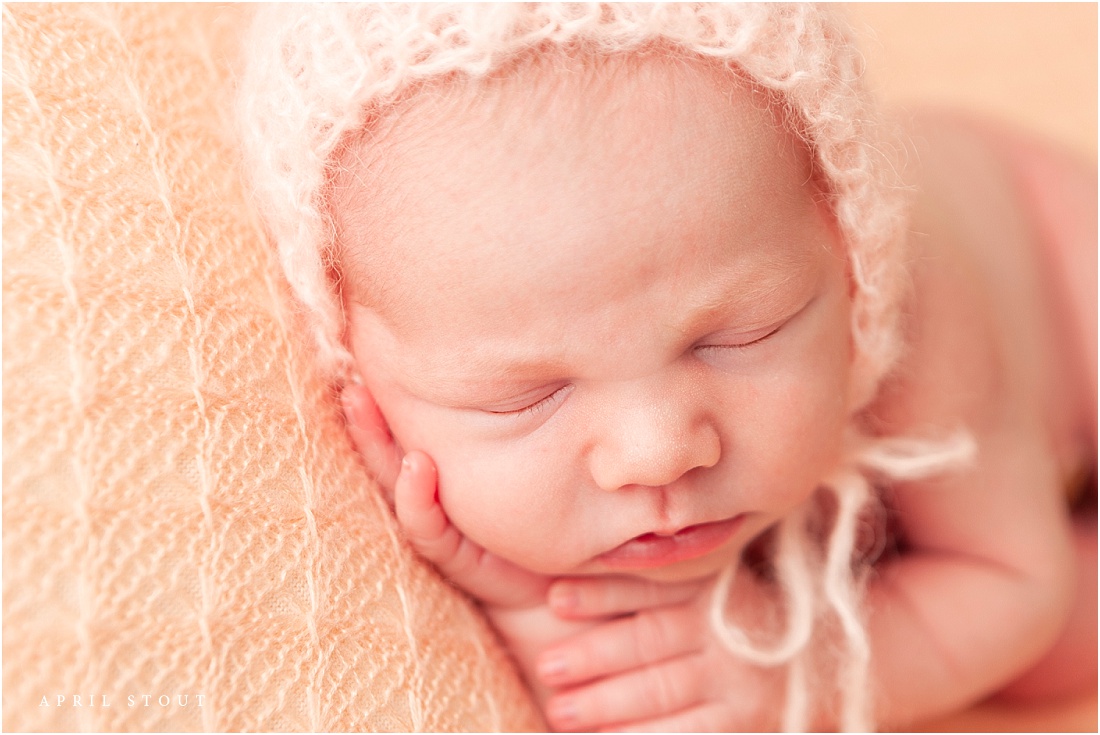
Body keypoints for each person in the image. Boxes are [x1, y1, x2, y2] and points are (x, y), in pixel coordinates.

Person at [237, 4, 1097, 730]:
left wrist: (790, 674)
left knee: (1047, 655)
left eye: (742, 334)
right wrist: (526, 594)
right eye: (524, 396)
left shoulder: (917, 311)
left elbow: (1013, 581)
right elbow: (606, 664)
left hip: (1057, 249)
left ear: (849, 256)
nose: (658, 452)